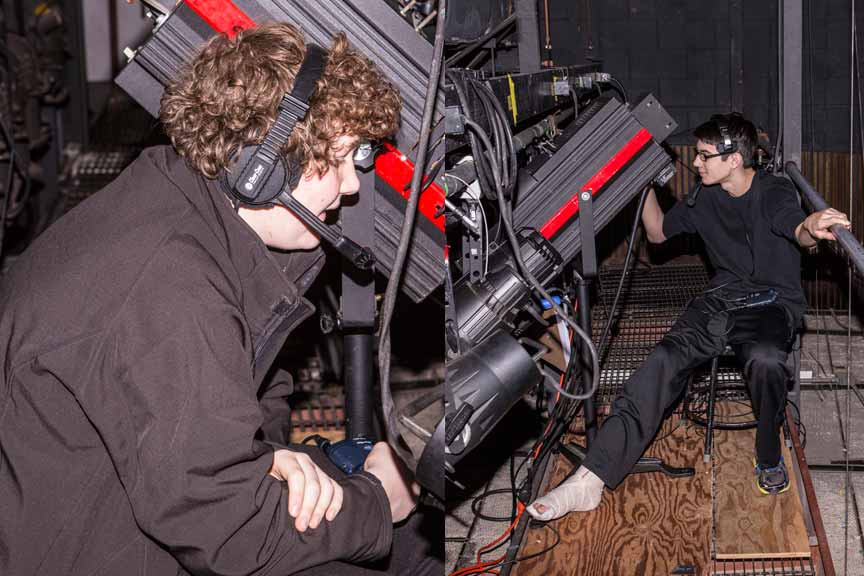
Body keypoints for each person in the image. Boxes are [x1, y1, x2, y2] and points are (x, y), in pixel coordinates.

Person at [0, 22, 441, 575]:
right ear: (263, 168)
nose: (351, 186)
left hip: (123, 514)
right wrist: (377, 503)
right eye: (341, 158)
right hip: (98, 550)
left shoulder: (173, 200)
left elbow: (231, 398)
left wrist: (270, 457)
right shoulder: (172, 292)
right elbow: (231, 535)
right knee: (412, 547)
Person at [527, 112, 851, 521]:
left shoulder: (773, 190)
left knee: (767, 361)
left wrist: (812, 224)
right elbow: (658, 231)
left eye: (704, 155)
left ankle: (769, 456)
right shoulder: (705, 196)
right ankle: (589, 480)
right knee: (662, 360)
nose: (695, 162)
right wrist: (641, 181)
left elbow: (796, 227)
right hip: (719, 302)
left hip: (770, 304)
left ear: (734, 159)